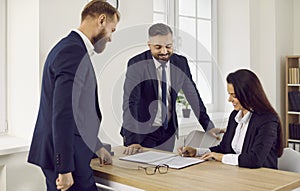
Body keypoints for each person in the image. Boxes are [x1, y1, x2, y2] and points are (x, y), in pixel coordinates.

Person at [27, 1, 120, 190]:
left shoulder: (69, 47)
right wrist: (65, 169)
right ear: (102, 20)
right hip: (68, 159)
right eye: (113, 30)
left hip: (66, 152)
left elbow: (79, 113)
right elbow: (63, 113)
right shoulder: (72, 51)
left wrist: (98, 147)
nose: (110, 38)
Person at [120, 23, 224, 155]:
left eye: (168, 46)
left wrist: (208, 126)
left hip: (168, 132)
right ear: (149, 45)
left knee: (164, 171)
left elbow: (192, 95)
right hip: (142, 133)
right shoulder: (137, 64)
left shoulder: (180, 63)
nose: (164, 51)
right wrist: (132, 140)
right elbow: (130, 103)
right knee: (143, 172)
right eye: (158, 47)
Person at [179, 69, 284, 169]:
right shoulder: (235, 116)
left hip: (262, 179)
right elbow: (224, 148)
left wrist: (222, 158)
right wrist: (197, 152)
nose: (229, 99)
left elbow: (255, 159)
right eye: (229, 94)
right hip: (238, 175)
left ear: (248, 94)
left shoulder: (267, 120)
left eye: (234, 95)